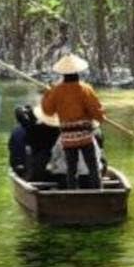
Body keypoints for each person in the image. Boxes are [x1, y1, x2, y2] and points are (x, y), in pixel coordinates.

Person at [40, 51, 105, 189]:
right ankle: (98, 191)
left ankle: (72, 192)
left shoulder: (57, 91)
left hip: (68, 137)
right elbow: (96, 111)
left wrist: (47, 94)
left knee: (71, 168)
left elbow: (47, 111)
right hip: (85, 136)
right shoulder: (85, 89)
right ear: (77, 73)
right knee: (92, 166)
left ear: (63, 74)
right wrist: (101, 117)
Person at [8, 106, 34, 176]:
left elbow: (10, 147)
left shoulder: (15, 131)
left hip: (17, 164)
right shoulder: (34, 129)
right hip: (29, 165)